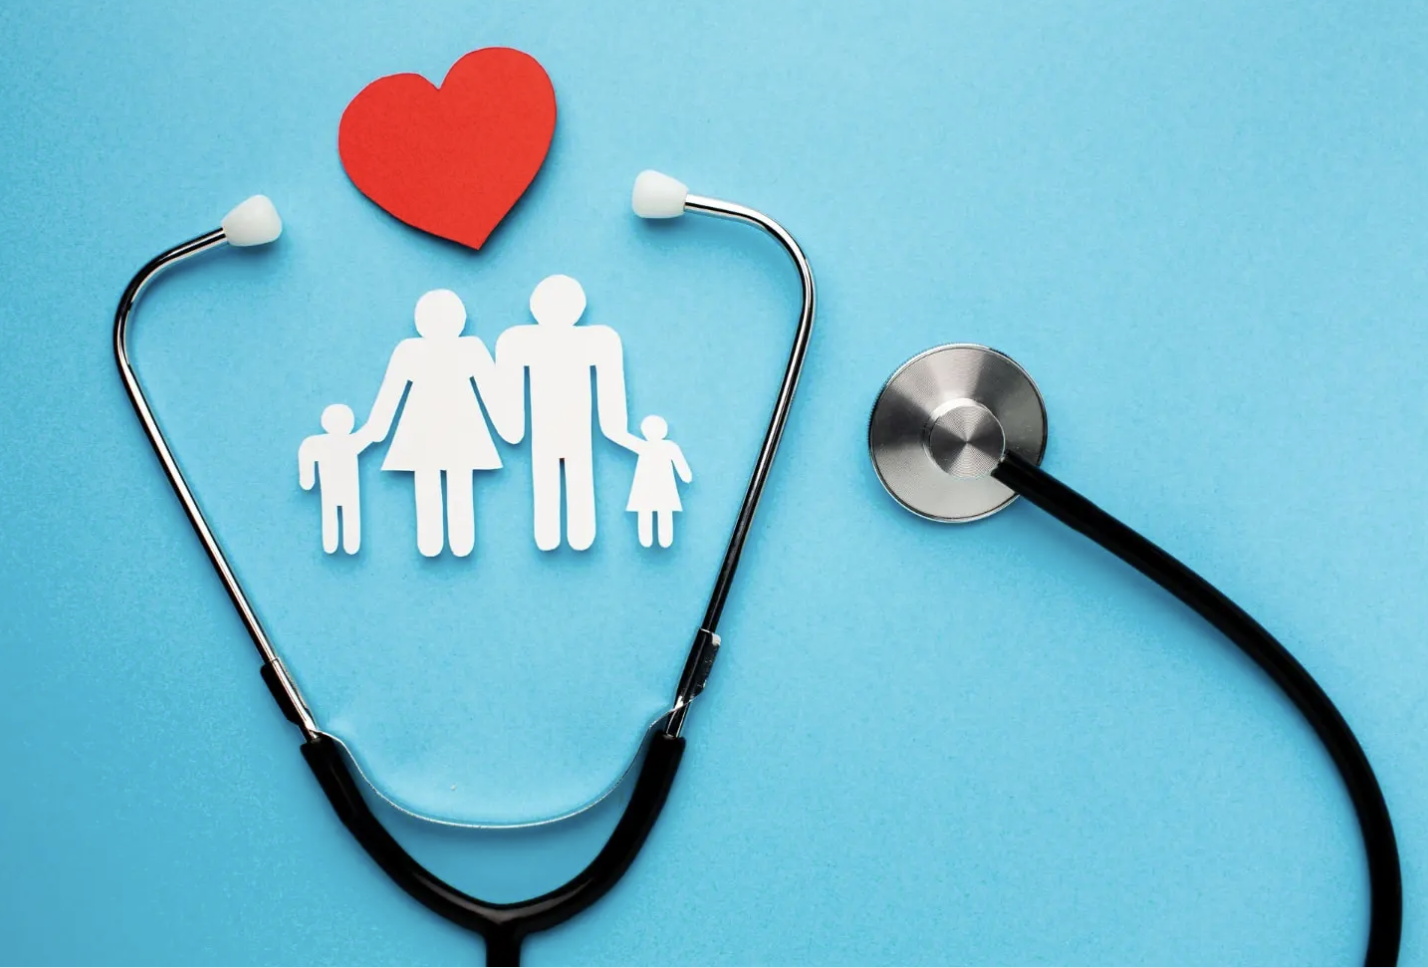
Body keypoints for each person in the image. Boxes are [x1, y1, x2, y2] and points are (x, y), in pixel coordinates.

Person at [355, 290, 517, 558]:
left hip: (431, 430)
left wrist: (374, 431)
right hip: (451, 430)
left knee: (440, 481)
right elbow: (392, 392)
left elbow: (392, 393)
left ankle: (446, 541)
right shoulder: (458, 348)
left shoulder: (422, 349)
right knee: (451, 482)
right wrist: (509, 427)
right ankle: (449, 541)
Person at [495, 275, 636, 551]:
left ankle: (568, 535)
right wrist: (616, 430)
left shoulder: (522, 340)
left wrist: (511, 427)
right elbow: (509, 388)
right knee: (570, 474)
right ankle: (565, 534)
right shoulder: (523, 340)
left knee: (563, 474)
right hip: (558, 428)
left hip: (562, 428)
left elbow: (509, 392)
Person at [299, 403, 369, 554]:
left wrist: (307, 479)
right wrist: (307, 479)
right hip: (341, 489)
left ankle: (342, 545)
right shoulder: (349, 442)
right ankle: (343, 545)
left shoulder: (319, 443)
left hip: (335, 489)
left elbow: (306, 452)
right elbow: (371, 433)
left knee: (335, 514)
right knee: (345, 514)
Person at [625, 415, 692, 548]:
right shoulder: (658, 446)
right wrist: (685, 475)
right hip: (655, 488)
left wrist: (685, 475)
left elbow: (680, 463)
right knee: (655, 511)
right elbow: (681, 465)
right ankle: (649, 539)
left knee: (657, 511)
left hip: (655, 487)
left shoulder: (646, 446)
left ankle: (658, 539)